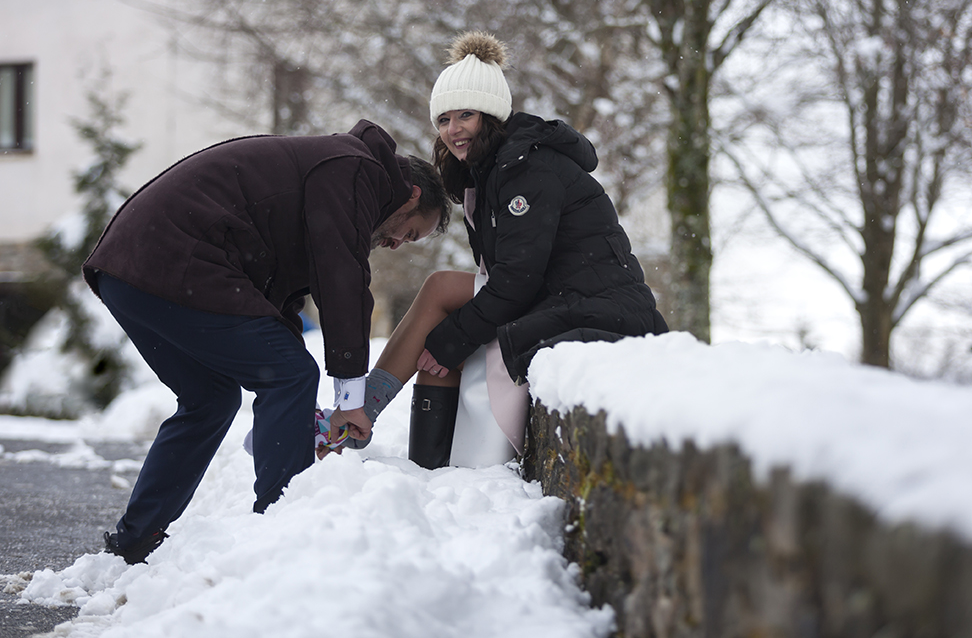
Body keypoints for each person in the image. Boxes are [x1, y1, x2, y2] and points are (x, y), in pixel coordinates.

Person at [82, 120, 450, 563]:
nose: (395, 244)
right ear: (411, 194)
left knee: (210, 399)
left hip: (129, 271)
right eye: (409, 232)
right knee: (291, 374)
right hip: (174, 259)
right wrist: (349, 396)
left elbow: (276, 304)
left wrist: (301, 419)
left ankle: (135, 537)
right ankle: (283, 525)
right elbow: (342, 279)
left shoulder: (339, 172)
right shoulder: (356, 170)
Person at [334, 32, 667, 469]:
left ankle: (361, 417)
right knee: (442, 318)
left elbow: (517, 278)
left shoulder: (527, 167)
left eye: (466, 115)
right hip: (557, 293)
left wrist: (453, 340)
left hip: (592, 302)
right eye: (444, 120)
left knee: (443, 312)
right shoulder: (491, 172)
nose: (453, 130)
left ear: (490, 115)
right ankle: (415, 459)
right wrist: (450, 340)